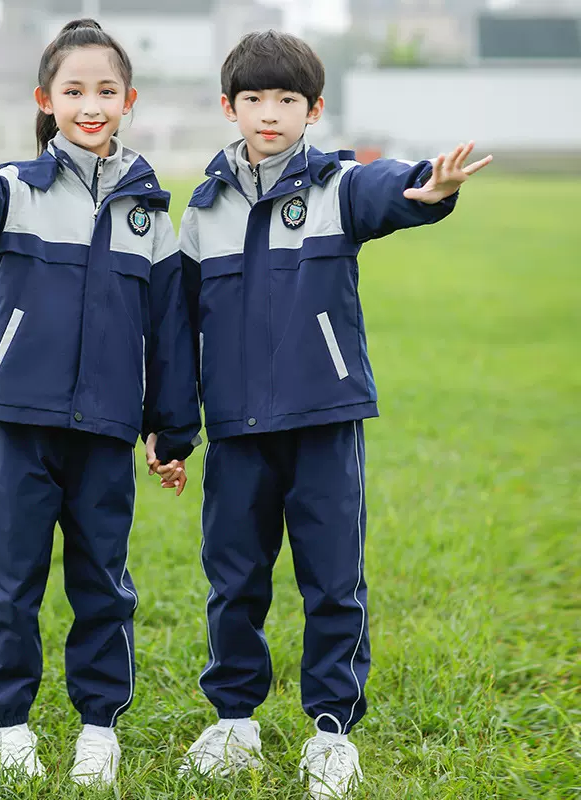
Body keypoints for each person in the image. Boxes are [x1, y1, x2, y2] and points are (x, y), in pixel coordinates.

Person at [163, 30, 492, 798]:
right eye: (254, 99)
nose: (269, 112)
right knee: (233, 579)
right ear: (229, 106)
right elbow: (177, 331)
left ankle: (331, 732)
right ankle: (234, 722)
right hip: (237, 431)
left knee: (333, 581)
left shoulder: (336, 187)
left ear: (313, 109)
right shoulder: (203, 211)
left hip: (323, 421)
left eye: (286, 100)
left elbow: (390, 190)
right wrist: (174, 431)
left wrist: (432, 187)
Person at [0, 19, 199, 787]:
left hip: (106, 431)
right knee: (11, 580)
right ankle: (12, 726)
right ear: (46, 99)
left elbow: (168, 333)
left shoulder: (150, 216)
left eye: (104, 91)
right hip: (19, 425)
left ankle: (99, 727)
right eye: (73, 90)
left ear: (127, 100)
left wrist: (173, 428)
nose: (89, 104)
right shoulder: (15, 191)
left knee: (104, 581)